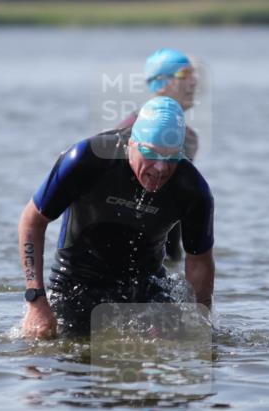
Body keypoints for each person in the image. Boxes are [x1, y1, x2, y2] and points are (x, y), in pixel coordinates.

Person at [19, 97, 215, 338]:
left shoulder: (191, 188)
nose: (161, 168)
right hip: (77, 283)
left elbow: (199, 260)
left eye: (171, 157)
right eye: (151, 154)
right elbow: (32, 222)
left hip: (146, 287)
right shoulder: (87, 159)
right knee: (58, 349)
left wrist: (199, 322)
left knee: (171, 347)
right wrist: (35, 300)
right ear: (132, 143)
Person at [118, 49, 200, 261]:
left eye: (194, 75)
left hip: (167, 250)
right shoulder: (130, 131)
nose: (193, 82)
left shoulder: (189, 137)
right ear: (159, 83)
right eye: (184, 75)